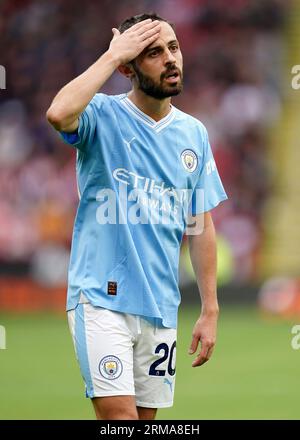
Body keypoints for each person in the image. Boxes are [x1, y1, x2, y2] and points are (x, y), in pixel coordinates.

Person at [46, 12, 227, 420]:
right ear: (128, 66)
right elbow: (58, 114)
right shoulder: (102, 115)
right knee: (120, 421)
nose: (170, 59)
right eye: (153, 52)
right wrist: (111, 56)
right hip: (100, 300)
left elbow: (199, 225)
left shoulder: (193, 134)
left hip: (161, 308)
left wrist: (210, 309)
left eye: (174, 48)